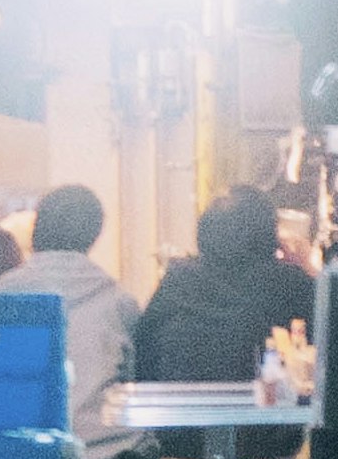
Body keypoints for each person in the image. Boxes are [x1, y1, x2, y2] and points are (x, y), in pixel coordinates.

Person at [133, 184, 310, 392]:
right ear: (269, 234)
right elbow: (332, 335)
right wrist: (304, 266)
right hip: (258, 418)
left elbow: (142, 353)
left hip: (175, 415)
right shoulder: (286, 282)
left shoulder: (177, 281)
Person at [24, 182, 136, 431]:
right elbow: (132, 381)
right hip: (107, 454)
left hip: (25, 455)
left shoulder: (1, 293)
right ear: (94, 234)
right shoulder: (117, 300)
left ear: (38, 225)